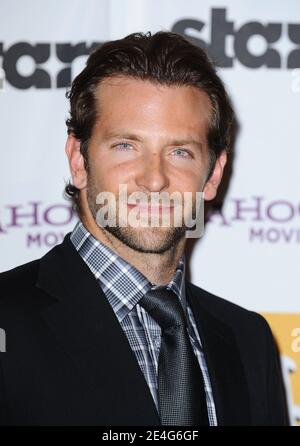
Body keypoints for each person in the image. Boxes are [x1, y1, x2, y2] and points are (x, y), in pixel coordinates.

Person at [0, 31, 288, 426]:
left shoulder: (248, 339)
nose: (154, 180)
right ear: (79, 160)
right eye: (125, 146)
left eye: (180, 152)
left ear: (213, 174)